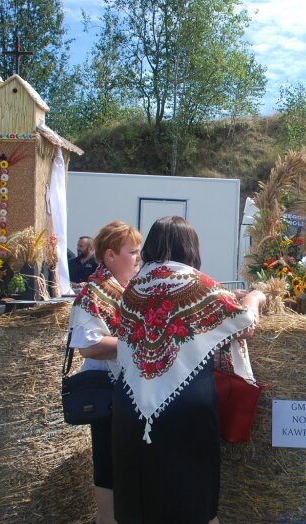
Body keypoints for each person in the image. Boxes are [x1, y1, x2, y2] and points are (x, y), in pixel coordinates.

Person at [112, 215, 266, 523]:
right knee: (191, 502)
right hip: (185, 406)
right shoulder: (196, 284)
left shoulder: (132, 290)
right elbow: (244, 322)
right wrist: (255, 296)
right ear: (190, 247)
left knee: (140, 500)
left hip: (130, 406)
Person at [67, 220, 142, 524]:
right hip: (108, 389)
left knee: (124, 461)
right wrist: (140, 342)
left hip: (129, 388)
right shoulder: (94, 293)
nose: (138, 257)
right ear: (111, 256)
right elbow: (88, 345)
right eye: (132, 251)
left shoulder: (127, 290)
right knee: (108, 462)